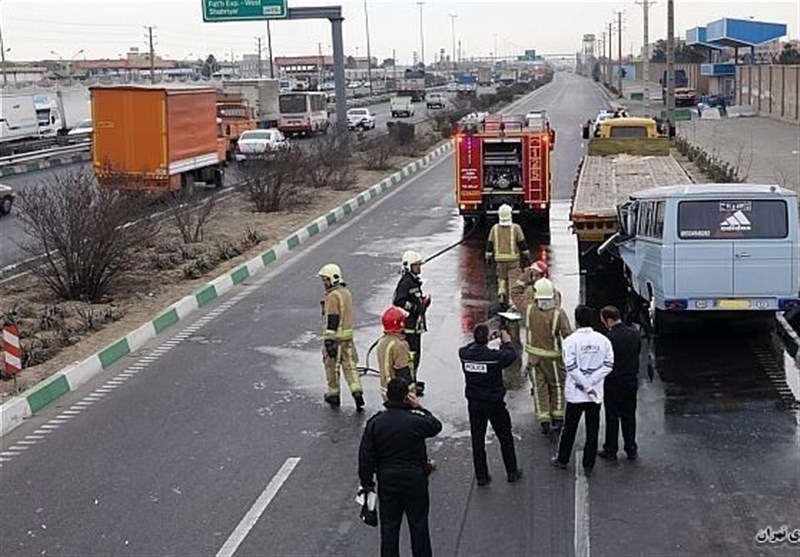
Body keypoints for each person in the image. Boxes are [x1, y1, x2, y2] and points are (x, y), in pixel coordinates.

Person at [359, 378, 442, 557]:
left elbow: (366, 457)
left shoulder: (376, 423)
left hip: (388, 480)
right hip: (415, 479)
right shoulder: (415, 420)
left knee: (389, 529)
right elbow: (435, 426)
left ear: (388, 395)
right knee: (419, 526)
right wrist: (418, 407)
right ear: (406, 397)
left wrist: (367, 483)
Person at [551, 305, 614, 477]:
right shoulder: (603, 340)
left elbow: (571, 367)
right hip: (595, 395)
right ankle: (589, 463)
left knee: (569, 428)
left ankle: (562, 459)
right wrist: (592, 383)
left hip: (575, 394)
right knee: (592, 430)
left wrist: (584, 384)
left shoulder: (571, 341)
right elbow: (608, 365)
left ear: (576, 321)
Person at [459, 324, 523, 486]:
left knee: (477, 440)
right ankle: (512, 472)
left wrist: (483, 339)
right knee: (505, 437)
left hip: (475, 403)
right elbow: (511, 355)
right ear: (486, 339)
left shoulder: (465, 355)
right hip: (494, 403)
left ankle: (481, 476)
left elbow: (466, 348)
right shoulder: (493, 357)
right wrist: (507, 341)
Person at [524, 278, 572, 435]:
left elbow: (522, 295)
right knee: (557, 385)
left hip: (533, 357)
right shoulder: (558, 313)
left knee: (539, 387)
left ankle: (543, 418)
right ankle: (558, 417)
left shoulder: (529, 309)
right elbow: (567, 335)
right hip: (553, 358)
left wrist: (527, 279)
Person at [318, 263, 365, 411]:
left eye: (325, 280)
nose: (323, 283)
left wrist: (329, 340)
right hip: (348, 338)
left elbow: (333, 318)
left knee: (332, 368)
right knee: (351, 367)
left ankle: (334, 395)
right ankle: (357, 392)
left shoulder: (332, 296)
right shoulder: (346, 293)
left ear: (331, 279)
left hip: (335, 339)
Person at [598, 305, 641, 461]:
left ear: (609, 320)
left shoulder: (608, 339)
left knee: (612, 417)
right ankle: (631, 448)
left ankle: (611, 449)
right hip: (630, 381)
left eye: (603, 321)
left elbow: (604, 362)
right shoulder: (635, 334)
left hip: (613, 382)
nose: (603, 324)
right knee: (629, 416)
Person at [393, 251, 431, 395]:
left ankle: (413, 381)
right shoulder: (406, 282)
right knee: (411, 356)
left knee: (415, 356)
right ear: (408, 266)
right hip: (409, 327)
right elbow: (399, 301)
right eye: (416, 265)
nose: (419, 267)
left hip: (416, 326)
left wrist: (423, 303)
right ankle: (410, 384)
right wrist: (415, 307)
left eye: (419, 264)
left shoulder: (413, 281)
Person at [486, 204, 531, 310]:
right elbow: (522, 243)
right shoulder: (516, 228)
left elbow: (489, 244)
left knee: (501, 278)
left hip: (499, 260)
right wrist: (527, 255)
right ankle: (512, 303)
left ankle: (501, 294)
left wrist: (488, 257)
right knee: (513, 280)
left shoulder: (494, 228)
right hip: (513, 260)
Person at [376, 307, 414, 401]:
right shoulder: (399, 345)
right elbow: (403, 371)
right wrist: (411, 392)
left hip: (385, 390)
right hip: (399, 393)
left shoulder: (382, 341)